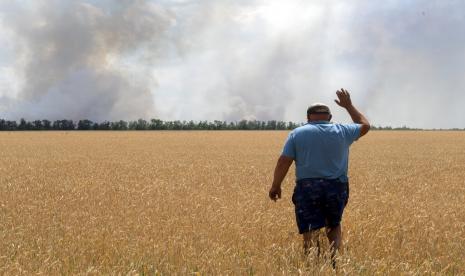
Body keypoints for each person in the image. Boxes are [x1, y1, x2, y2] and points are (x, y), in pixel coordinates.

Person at [268, 88, 370, 266]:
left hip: (308, 188)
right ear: (330, 117)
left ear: (308, 117)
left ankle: (312, 266)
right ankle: (336, 264)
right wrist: (348, 106)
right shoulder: (343, 131)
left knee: (310, 228)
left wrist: (276, 185)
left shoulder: (297, 133)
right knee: (334, 225)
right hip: (337, 187)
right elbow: (364, 125)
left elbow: (284, 161)